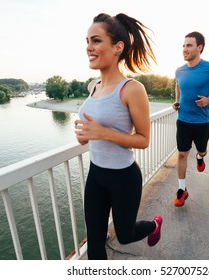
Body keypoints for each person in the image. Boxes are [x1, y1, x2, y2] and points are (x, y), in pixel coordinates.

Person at [74, 13, 162, 260]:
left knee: (125, 234)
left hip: (124, 177)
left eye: (96, 40)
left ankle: (154, 225)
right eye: (87, 41)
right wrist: (85, 136)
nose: (89, 47)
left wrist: (103, 133)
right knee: (95, 241)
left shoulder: (132, 89)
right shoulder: (92, 85)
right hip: (96, 174)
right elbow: (94, 126)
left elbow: (144, 139)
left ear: (117, 47)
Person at [172, 31, 209, 207]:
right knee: (182, 154)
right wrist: (177, 101)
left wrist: (208, 99)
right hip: (183, 120)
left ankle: (200, 157)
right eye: (183, 45)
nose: (184, 49)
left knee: (202, 151)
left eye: (189, 45)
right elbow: (178, 85)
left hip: (201, 122)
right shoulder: (179, 70)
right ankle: (182, 190)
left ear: (200, 47)